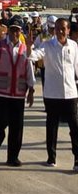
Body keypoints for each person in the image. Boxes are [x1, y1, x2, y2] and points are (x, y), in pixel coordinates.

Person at [0, 16, 35, 166]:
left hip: (18, 94)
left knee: (17, 127)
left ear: (21, 32)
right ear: (8, 30)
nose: (14, 33)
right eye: (12, 30)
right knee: (2, 123)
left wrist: (31, 89)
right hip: (2, 92)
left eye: (17, 31)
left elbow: (29, 70)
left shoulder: (26, 49)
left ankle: (12, 157)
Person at [28, 18, 78, 169]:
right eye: (57, 28)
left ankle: (77, 159)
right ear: (54, 30)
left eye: (63, 28)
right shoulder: (47, 45)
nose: (60, 31)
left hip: (70, 93)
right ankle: (51, 157)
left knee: (75, 128)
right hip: (52, 94)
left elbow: (77, 68)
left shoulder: (74, 46)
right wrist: (29, 47)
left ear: (68, 30)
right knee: (52, 127)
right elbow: (33, 56)